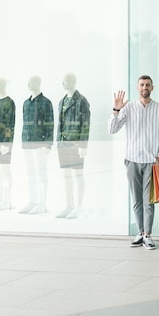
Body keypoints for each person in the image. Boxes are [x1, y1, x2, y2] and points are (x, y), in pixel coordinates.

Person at [108, 75, 159, 250]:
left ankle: (148, 235)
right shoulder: (128, 108)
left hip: (150, 162)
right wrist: (116, 110)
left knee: (148, 200)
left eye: (148, 85)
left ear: (152, 88)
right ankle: (140, 232)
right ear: (137, 88)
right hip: (131, 160)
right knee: (136, 200)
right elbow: (112, 129)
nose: (145, 87)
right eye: (142, 85)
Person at [56, 73, 91, 219]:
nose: (62, 84)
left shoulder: (82, 101)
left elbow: (85, 124)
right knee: (66, 175)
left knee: (78, 174)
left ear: (71, 82)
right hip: (63, 143)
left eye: (64, 81)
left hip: (76, 143)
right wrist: (57, 141)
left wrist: (83, 145)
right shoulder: (62, 101)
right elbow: (60, 124)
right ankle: (68, 205)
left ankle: (79, 207)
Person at [20, 75, 54, 215]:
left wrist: (48, 144)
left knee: (41, 174)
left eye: (30, 82)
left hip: (40, 144)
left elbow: (50, 123)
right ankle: (32, 201)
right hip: (27, 143)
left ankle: (42, 204)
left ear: (37, 83)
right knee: (30, 174)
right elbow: (24, 123)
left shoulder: (46, 103)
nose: (28, 84)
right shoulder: (26, 103)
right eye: (27, 82)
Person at [0, 78, 16, 210]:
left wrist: (7, 143)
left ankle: (7, 200)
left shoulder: (9, 103)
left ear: (0, 85)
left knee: (5, 171)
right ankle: (0, 199)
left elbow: (10, 124)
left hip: (3, 143)